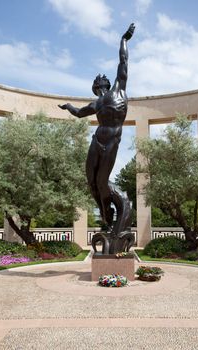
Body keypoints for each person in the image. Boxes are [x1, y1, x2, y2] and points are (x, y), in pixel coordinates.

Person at [59, 23, 135, 229]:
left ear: (101, 85)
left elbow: (123, 61)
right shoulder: (96, 104)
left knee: (102, 182)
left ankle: (112, 214)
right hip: (97, 141)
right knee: (91, 182)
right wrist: (69, 106)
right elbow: (78, 113)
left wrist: (124, 40)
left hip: (111, 141)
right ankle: (105, 214)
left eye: (97, 83)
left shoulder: (119, 90)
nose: (97, 85)